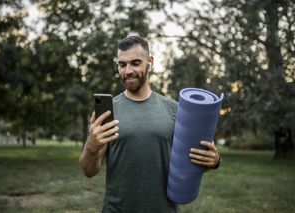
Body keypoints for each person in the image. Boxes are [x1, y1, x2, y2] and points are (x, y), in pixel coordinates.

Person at [79, 35, 221, 213]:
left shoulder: (175, 110)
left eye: (135, 63)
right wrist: (91, 146)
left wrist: (213, 161)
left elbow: (193, 162)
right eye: (122, 65)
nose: (128, 71)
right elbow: (89, 171)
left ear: (150, 62)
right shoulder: (107, 113)